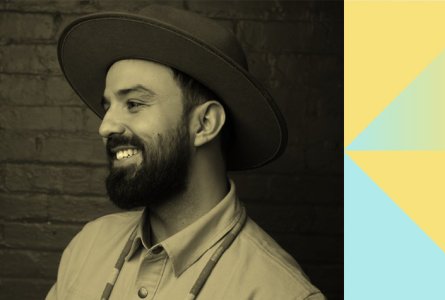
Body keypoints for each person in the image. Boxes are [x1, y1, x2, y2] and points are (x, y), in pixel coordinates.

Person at [47, 5, 325, 300]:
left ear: (204, 124)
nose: (106, 127)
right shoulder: (89, 246)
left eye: (134, 104)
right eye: (108, 107)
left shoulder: (278, 291)